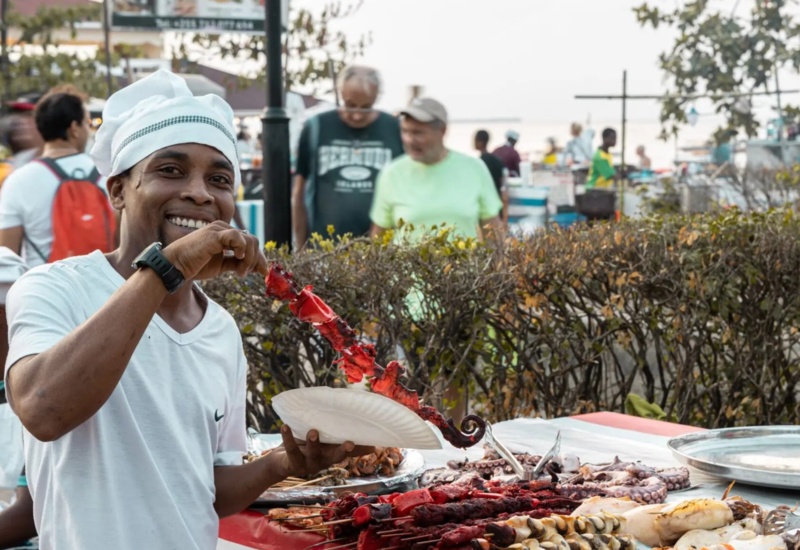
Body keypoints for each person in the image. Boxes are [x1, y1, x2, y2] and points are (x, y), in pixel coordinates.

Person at [3, 69, 370, 550]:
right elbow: (43, 410)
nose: (200, 192)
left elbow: (206, 490)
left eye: (219, 179)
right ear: (117, 190)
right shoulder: (54, 287)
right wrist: (164, 268)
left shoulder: (219, 330)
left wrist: (283, 463)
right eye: (170, 170)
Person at [293, 65, 403, 248]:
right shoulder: (317, 127)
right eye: (350, 105)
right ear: (340, 94)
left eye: (366, 107)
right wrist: (301, 247)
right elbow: (299, 193)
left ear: (376, 97)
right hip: (324, 249)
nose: (358, 115)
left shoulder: (394, 129)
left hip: (381, 253)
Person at [370, 98, 503, 242]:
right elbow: (378, 239)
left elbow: (494, 235)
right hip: (406, 265)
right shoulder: (391, 173)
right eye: (405, 131)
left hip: (466, 265)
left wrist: (499, 263)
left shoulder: (475, 168)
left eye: (418, 133)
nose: (409, 140)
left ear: (442, 130)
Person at [0, 88, 102, 268]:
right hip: (107, 291)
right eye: (86, 124)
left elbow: (7, 258)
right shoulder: (106, 175)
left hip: (43, 291)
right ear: (74, 129)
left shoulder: (17, 182)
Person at [474, 129, 508, 224]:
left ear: (480, 142)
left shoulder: (478, 163)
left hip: (484, 205)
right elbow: (503, 185)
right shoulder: (497, 160)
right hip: (497, 203)